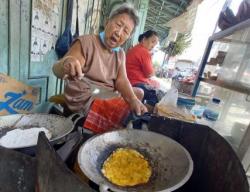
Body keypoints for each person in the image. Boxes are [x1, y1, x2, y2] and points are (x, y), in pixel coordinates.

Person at [52, 3, 147, 133]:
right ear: (107, 22)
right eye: (118, 25)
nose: (119, 33)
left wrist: (133, 100)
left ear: (128, 37)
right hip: (86, 97)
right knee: (125, 113)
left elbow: (122, 80)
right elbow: (61, 67)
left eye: (125, 31)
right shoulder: (86, 42)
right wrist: (68, 62)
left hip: (105, 94)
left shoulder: (120, 54)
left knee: (138, 94)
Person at [126, 30, 160, 107]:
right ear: (144, 39)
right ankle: (144, 115)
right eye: (152, 41)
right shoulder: (144, 52)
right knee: (154, 99)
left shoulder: (135, 49)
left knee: (154, 85)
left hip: (128, 82)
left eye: (155, 43)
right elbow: (149, 74)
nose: (153, 45)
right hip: (136, 84)